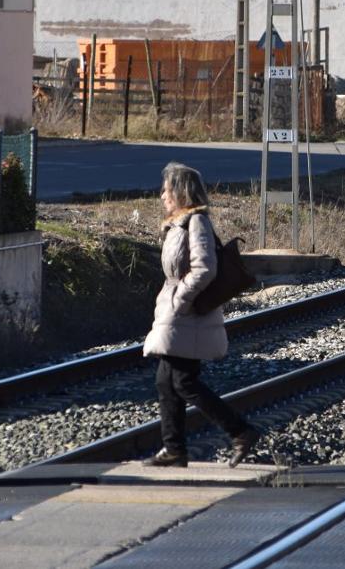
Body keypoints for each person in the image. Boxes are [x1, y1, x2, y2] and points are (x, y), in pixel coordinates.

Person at [141, 162, 260, 468]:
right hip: (177, 313)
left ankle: (241, 431)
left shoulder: (196, 222)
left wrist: (181, 299)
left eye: (167, 189)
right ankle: (174, 449)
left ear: (181, 192)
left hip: (188, 313)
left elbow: (205, 268)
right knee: (166, 381)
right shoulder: (178, 225)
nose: (163, 195)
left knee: (182, 381)